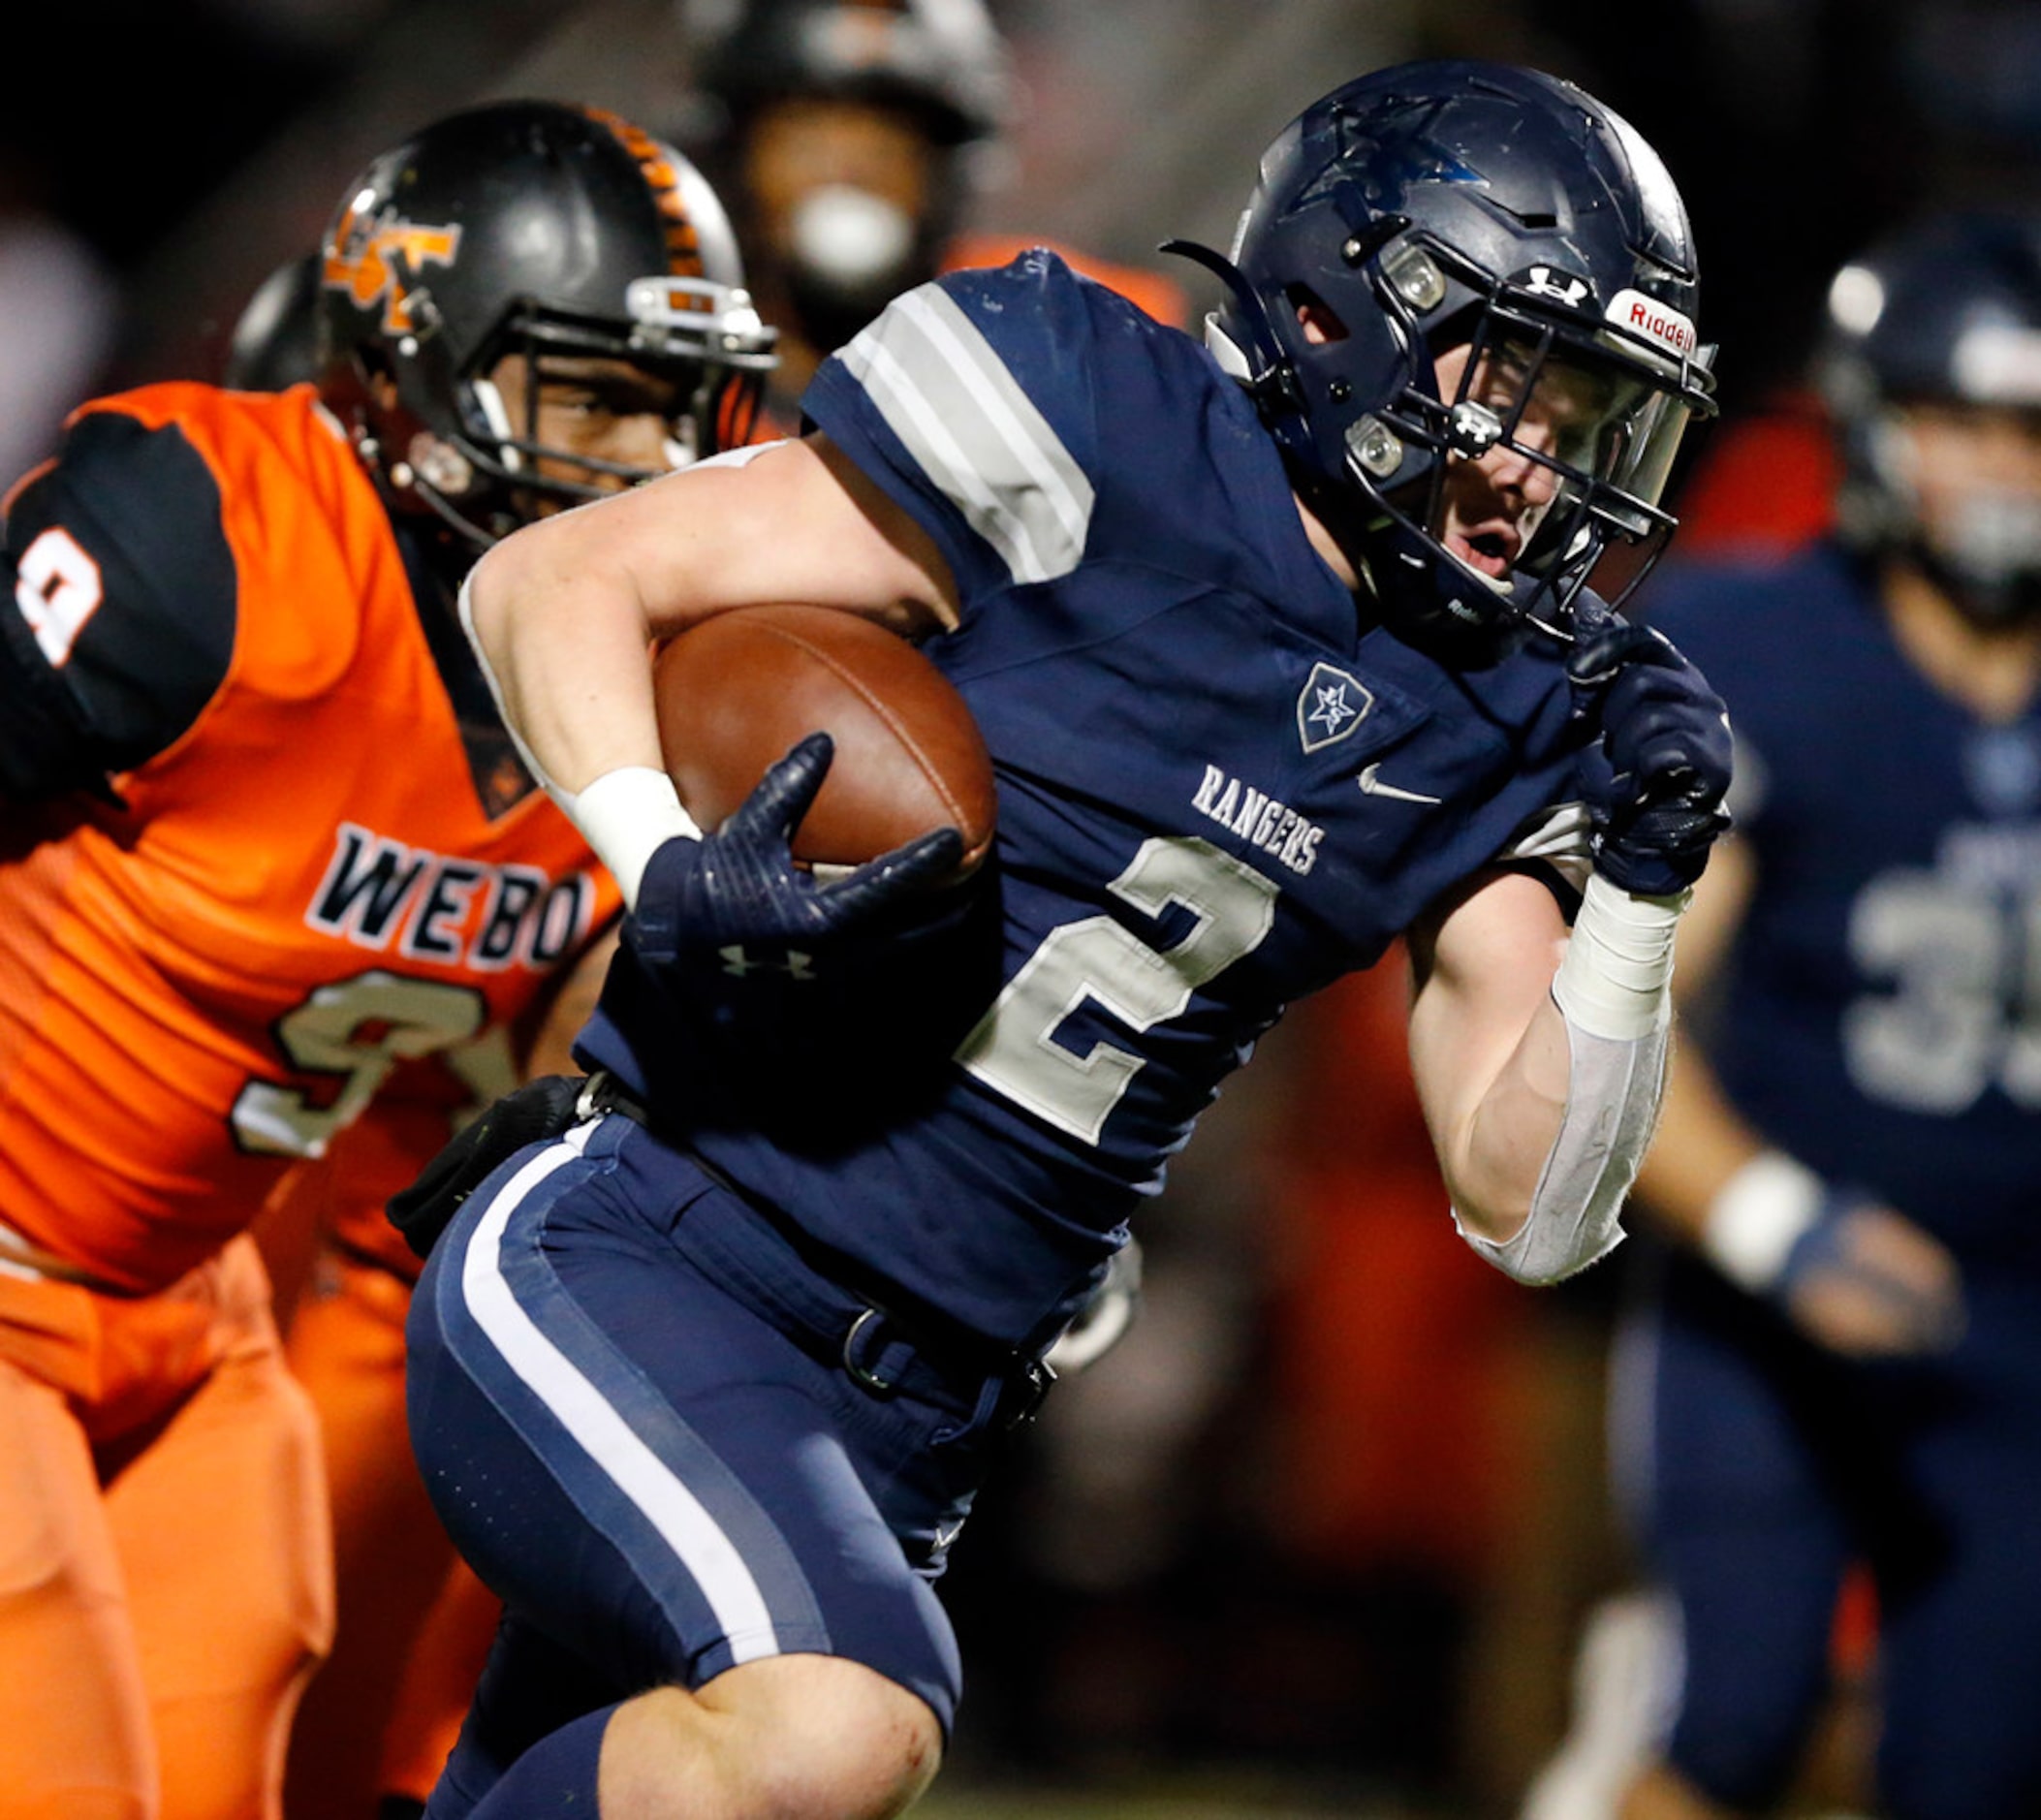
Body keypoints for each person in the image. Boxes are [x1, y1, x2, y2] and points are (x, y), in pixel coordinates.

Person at [402, 58, 1732, 1818]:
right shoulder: (1095, 418)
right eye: (1518, 386)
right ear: (1357, 305)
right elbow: (550, 581)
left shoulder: (1498, 704)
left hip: (923, 1417)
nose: (1542, 467)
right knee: (840, 1723)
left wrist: (1637, 896)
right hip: (660, 1247)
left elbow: (1538, 1206)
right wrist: (659, 860)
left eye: (1589, 417)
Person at [0, 97, 774, 1820]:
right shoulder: (211, 539)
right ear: (419, 364)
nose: (648, 463)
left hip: (202, 1326)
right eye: (594, 395)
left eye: (678, 407)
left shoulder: (653, 686)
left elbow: (572, 1026)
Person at [1526, 210, 2041, 1820]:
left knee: (1977, 1764)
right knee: (1731, 1715)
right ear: (1878, 423)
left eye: (2034, 428)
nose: (2002, 468)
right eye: (1962, 419)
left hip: (2025, 1314)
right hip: (1771, 1290)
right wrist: (1775, 1222)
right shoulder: (1758, 643)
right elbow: (1613, 1018)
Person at [675, 0, 1186, 423]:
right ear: (734, 161)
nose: (847, 172)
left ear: (949, 175)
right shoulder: (660, 352)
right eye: (804, 138)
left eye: (889, 146)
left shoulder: (1068, 320)